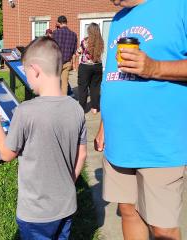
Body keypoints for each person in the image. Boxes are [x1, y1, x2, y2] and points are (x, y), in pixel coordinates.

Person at [95, 0, 187, 239]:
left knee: (162, 227)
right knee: (127, 211)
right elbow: (111, 75)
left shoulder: (179, 6)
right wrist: (104, 124)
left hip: (159, 141)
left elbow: (152, 68)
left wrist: (155, 67)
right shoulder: (118, 19)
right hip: (119, 140)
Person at [0, 36, 87, 239]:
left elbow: (6, 153)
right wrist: (68, 182)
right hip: (66, 206)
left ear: (35, 70)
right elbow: (81, 155)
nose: (27, 78)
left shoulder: (26, 110)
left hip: (36, 214)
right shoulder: (76, 108)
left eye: (26, 72)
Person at [77, 23, 104, 114]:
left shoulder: (85, 41)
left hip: (85, 67)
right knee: (95, 88)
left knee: (83, 88)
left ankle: (82, 108)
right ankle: (94, 108)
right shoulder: (100, 41)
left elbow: (78, 52)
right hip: (97, 66)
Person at [53, 15, 78, 95]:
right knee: (65, 83)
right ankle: (63, 102)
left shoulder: (55, 33)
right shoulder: (73, 35)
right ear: (66, 23)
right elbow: (74, 52)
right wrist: (74, 65)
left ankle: (55, 99)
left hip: (56, 62)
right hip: (67, 62)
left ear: (59, 23)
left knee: (55, 82)